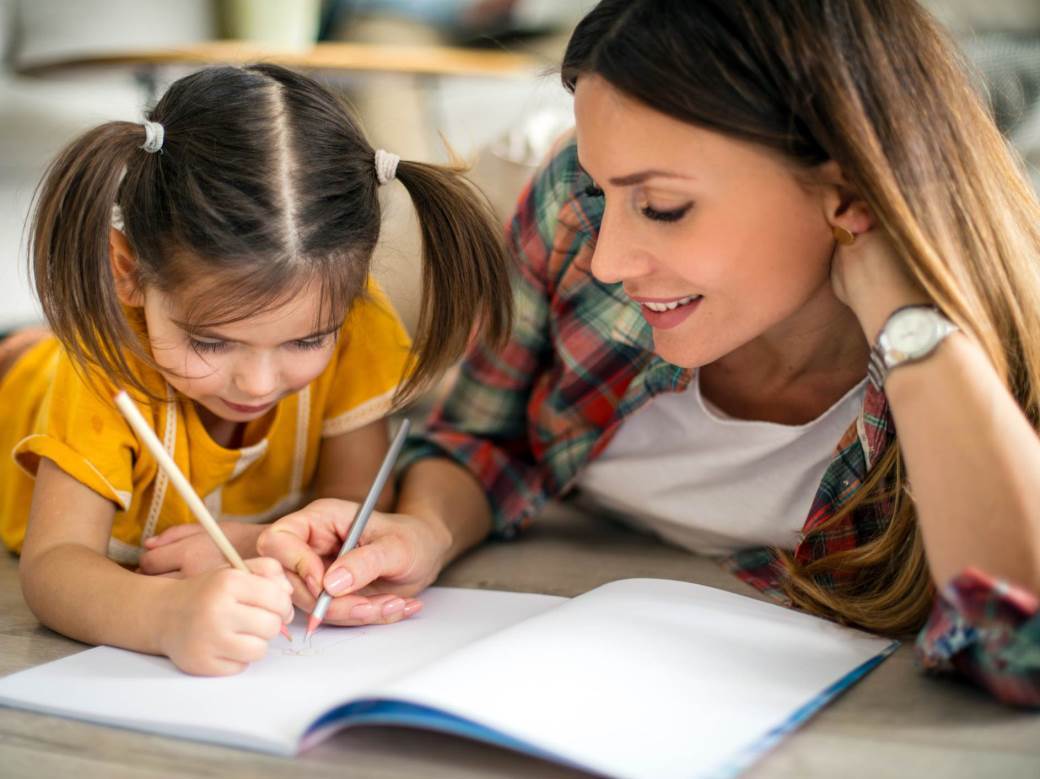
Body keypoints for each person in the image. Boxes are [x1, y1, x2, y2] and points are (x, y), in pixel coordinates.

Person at [259, 0, 1040, 705]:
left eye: (664, 207)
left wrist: (910, 325)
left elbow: (1021, 646)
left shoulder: (987, 342)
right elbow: (484, 436)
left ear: (848, 192)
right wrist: (423, 530)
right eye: (605, 191)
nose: (608, 259)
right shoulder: (573, 206)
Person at [0, 63, 511, 675]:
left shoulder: (360, 330)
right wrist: (163, 614)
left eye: (307, 340)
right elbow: (55, 565)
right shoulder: (101, 367)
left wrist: (263, 545)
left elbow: (347, 510)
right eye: (212, 343)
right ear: (127, 273)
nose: (260, 384)